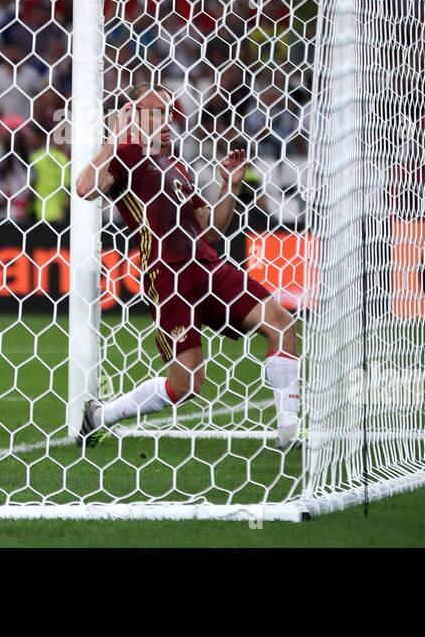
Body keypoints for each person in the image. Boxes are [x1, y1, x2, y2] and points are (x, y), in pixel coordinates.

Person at [74, 83, 301, 450]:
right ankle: (102, 416)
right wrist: (115, 136)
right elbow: (84, 188)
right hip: (169, 277)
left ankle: (289, 432)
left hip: (208, 266)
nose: (168, 121)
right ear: (134, 117)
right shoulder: (125, 156)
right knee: (187, 385)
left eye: (169, 113)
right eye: (157, 113)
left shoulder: (175, 164)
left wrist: (228, 187)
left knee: (282, 324)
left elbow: (210, 229)